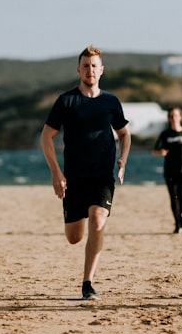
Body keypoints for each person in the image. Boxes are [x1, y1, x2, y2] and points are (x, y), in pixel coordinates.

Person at [41, 45, 131, 301]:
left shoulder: (111, 102)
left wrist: (123, 159)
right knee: (74, 237)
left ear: (101, 70)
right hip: (74, 178)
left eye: (94, 66)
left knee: (98, 220)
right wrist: (56, 173)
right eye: (85, 66)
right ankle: (81, 246)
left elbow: (125, 134)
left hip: (102, 177)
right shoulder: (66, 101)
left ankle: (88, 283)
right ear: (78, 70)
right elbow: (46, 136)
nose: (90, 70)